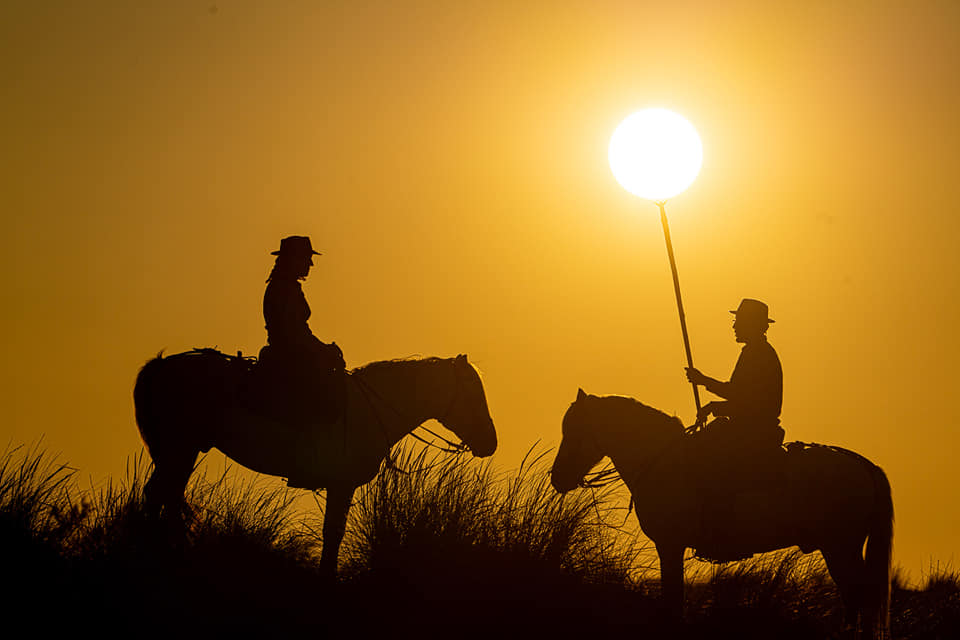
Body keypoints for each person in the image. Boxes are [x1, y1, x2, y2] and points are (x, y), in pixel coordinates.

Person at [258, 236, 345, 429]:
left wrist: (322, 349)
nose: (311, 263)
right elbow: (295, 333)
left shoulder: (286, 287)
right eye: (306, 258)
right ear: (292, 259)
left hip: (292, 352)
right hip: (289, 355)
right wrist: (323, 350)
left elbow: (300, 331)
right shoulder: (283, 289)